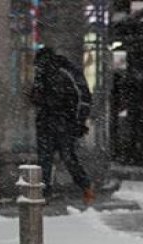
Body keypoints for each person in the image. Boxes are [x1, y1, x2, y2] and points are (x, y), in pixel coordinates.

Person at [30, 47, 95, 205]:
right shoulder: (49, 73)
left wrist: (79, 121)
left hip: (60, 122)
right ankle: (48, 192)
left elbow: (81, 98)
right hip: (54, 122)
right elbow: (81, 98)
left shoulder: (63, 72)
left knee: (60, 158)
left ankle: (83, 186)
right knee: (58, 158)